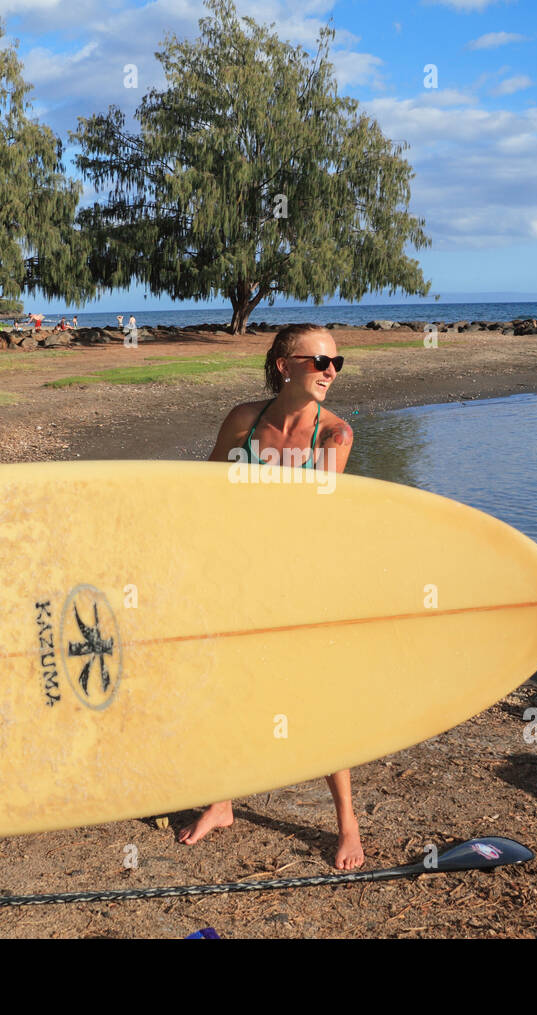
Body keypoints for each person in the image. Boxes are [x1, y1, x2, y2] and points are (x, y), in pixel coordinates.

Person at [188, 323, 364, 868]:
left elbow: (315, 519)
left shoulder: (334, 437)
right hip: (237, 574)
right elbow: (207, 492)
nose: (330, 372)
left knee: (316, 698)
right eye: (319, 362)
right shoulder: (244, 421)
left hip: (299, 582)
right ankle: (221, 801)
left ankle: (347, 824)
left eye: (337, 363)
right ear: (285, 365)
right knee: (228, 686)